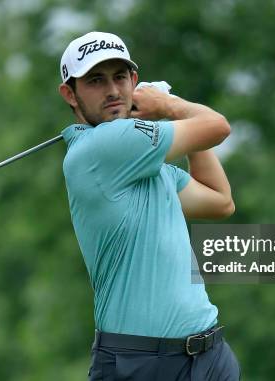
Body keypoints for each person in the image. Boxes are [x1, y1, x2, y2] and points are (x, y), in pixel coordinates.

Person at [58, 31, 240, 380]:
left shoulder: (145, 164)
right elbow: (217, 126)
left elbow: (220, 201)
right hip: (140, 364)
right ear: (70, 94)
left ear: (134, 81)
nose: (112, 90)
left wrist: (175, 122)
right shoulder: (103, 147)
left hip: (209, 355)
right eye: (96, 80)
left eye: (120, 77)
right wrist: (169, 106)